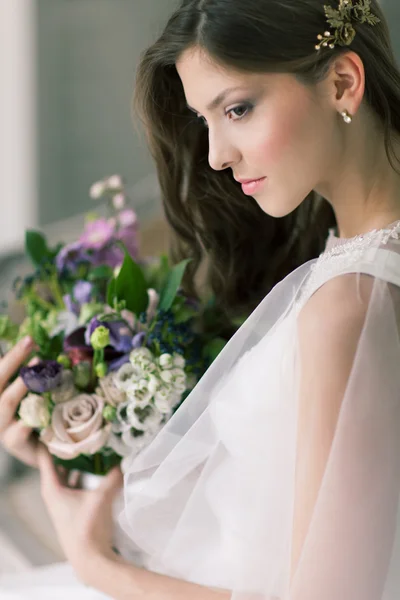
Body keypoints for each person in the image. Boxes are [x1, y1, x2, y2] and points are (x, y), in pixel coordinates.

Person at [1, 0, 400, 598]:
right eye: (204, 121)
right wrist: (73, 453)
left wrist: (96, 563)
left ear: (343, 82)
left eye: (237, 108)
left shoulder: (349, 303)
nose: (216, 155)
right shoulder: (348, 265)